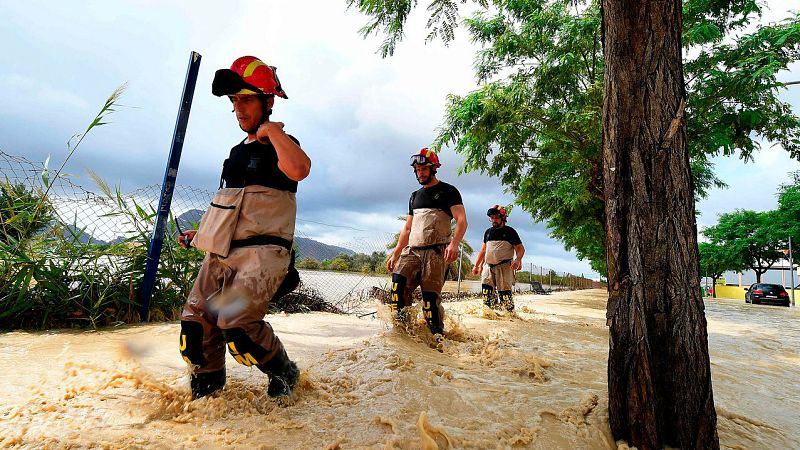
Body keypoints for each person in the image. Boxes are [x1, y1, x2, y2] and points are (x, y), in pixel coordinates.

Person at [176, 56, 311, 400]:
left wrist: (275, 133)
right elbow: (230, 206)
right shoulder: (235, 153)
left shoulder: (282, 143)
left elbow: (299, 169)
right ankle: (208, 394)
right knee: (194, 326)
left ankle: (285, 373)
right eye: (234, 101)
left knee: (235, 325)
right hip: (223, 252)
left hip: (262, 255)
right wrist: (201, 233)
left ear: (269, 101)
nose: (238, 108)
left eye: (246, 99)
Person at [386, 148, 467, 336]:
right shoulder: (414, 196)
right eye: (417, 170)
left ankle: (437, 338)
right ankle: (403, 332)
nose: (419, 173)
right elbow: (407, 228)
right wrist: (396, 253)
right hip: (412, 251)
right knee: (398, 284)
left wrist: (454, 244)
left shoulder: (448, 191)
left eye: (423, 169)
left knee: (430, 300)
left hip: (436, 253)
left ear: (433, 168)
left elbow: (461, 220)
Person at [472, 205, 525, 311]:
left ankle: (509, 315)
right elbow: (483, 250)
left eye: (496, 217)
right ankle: (488, 314)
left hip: (505, 267)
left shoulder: (510, 232)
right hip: (488, 266)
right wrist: (477, 265)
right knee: (486, 291)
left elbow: (520, 248)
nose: (493, 220)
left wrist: (518, 260)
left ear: (503, 218)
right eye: (492, 218)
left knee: (504, 293)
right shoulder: (488, 232)